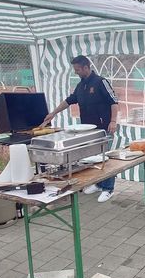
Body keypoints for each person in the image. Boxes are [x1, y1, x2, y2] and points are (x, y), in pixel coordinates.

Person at [42, 55, 118, 203]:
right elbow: (69, 101)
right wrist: (53, 113)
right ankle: (98, 183)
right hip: (88, 131)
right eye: (74, 69)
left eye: (77, 69)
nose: (75, 72)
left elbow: (114, 102)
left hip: (104, 128)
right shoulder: (80, 85)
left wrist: (113, 121)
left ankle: (108, 189)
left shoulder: (101, 82)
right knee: (93, 158)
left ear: (86, 67)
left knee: (105, 158)